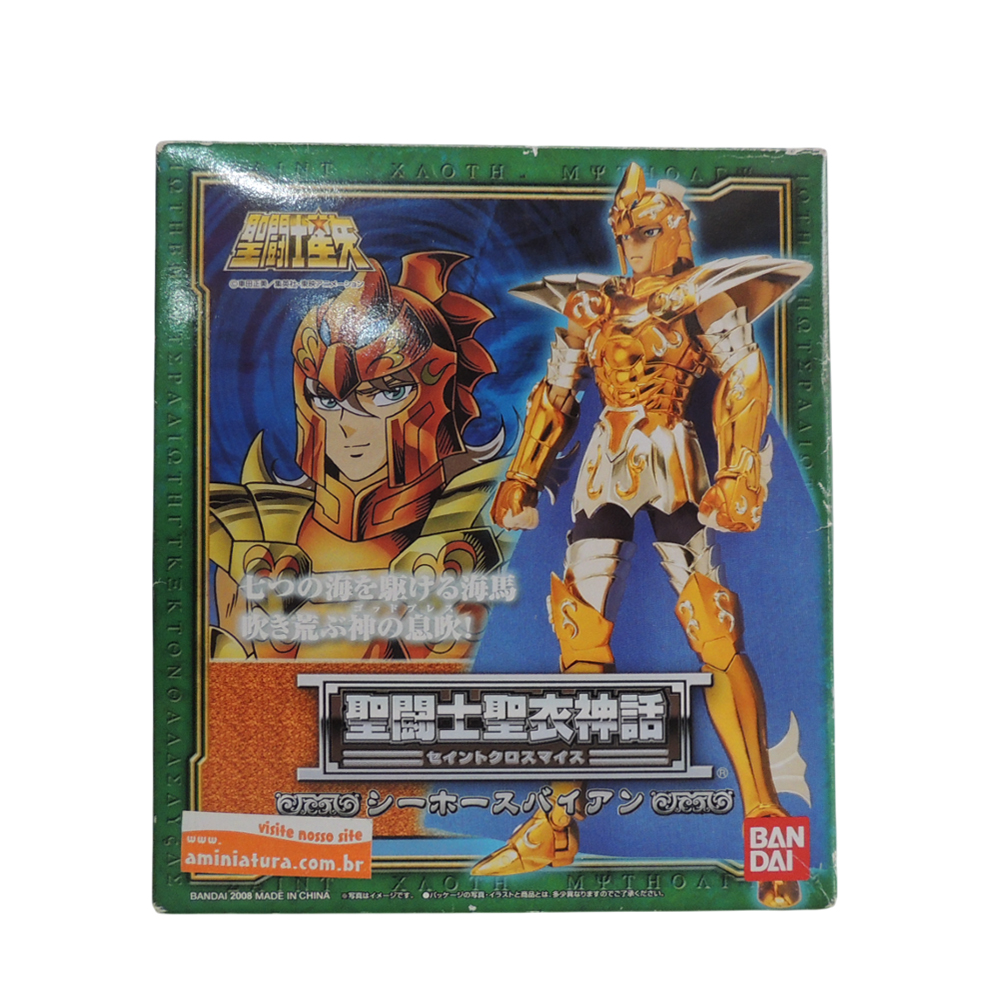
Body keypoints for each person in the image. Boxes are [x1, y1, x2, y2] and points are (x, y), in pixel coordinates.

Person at [473, 163, 811, 908]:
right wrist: (522, 474)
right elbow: (555, 392)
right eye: (625, 232)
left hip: (673, 459)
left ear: (677, 229)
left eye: (647, 230)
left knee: (714, 629)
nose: (633, 244)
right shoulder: (592, 304)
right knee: (580, 635)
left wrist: (740, 472)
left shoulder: (702, 293)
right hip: (605, 466)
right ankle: (559, 819)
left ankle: (765, 816)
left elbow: (744, 377)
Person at [209, 251, 509, 663]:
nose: (348, 425)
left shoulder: (485, 530)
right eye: (326, 399)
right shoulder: (254, 536)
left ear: (435, 387)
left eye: (387, 393)